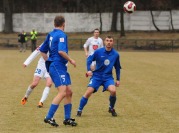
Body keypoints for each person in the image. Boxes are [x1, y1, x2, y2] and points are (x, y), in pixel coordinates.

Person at [40, 15, 77, 127]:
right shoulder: (62, 35)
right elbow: (61, 51)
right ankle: (49, 117)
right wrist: (71, 60)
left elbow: (42, 51)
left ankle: (67, 119)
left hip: (57, 66)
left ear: (54, 24)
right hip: (58, 66)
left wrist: (49, 62)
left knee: (69, 91)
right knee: (62, 92)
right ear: (63, 24)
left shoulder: (51, 34)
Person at [76, 36, 121, 117]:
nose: (109, 42)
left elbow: (117, 67)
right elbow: (89, 59)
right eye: (107, 40)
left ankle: (111, 108)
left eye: (111, 41)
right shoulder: (98, 52)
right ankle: (79, 110)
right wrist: (89, 70)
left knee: (113, 91)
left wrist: (118, 79)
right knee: (88, 92)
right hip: (97, 76)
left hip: (108, 77)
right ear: (104, 42)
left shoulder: (116, 54)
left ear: (113, 42)